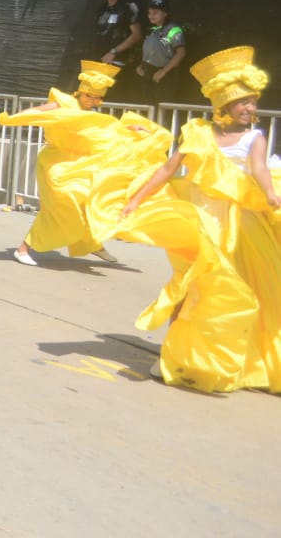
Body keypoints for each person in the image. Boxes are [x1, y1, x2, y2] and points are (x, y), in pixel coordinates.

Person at [117, 46, 280, 392]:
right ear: (223, 104)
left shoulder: (255, 137)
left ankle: (244, 360)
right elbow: (167, 168)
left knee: (246, 289)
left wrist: (268, 195)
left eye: (253, 102)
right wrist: (136, 200)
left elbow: (260, 170)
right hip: (203, 220)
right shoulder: (198, 133)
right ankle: (170, 355)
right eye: (244, 103)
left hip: (241, 223)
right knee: (193, 285)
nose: (251, 109)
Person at [0, 60, 169, 267]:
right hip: (56, 163)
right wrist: (12, 118)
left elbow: (108, 129)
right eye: (89, 96)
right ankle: (23, 248)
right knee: (65, 204)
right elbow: (38, 111)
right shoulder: (65, 104)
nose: (93, 100)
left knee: (92, 198)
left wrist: (131, 128)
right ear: (80, 92)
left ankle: (93, 244)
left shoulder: (94, 113)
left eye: (97, 97)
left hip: (81, 163)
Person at [135, 0, 187, 107]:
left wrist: (163, 72)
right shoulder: (151, 30)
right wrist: (141, 66)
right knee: (148, 107)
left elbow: (181, 53)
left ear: (165, 13)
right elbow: (151, 52)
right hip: (148, 73)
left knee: (163, 108)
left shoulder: (173, 29)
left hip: (166, 74)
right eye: (149, 13)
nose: (151, 16)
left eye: (155, 13)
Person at [94, 0, 142, 71]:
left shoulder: (129, 7)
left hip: (122, 63)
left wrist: (113, 52)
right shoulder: (102, 9)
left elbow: (137, 35)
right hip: (102, 62)